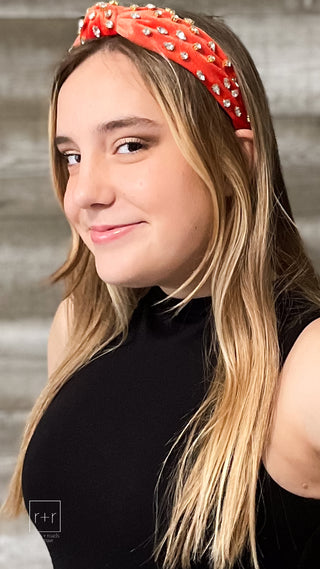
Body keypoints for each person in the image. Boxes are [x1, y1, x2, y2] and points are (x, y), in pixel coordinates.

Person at [1, 2, 320, 568]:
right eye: (70, 157)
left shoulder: (307, 364)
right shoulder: (80, 330)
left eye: (130, 145)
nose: (83, 194)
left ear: (233, 162)